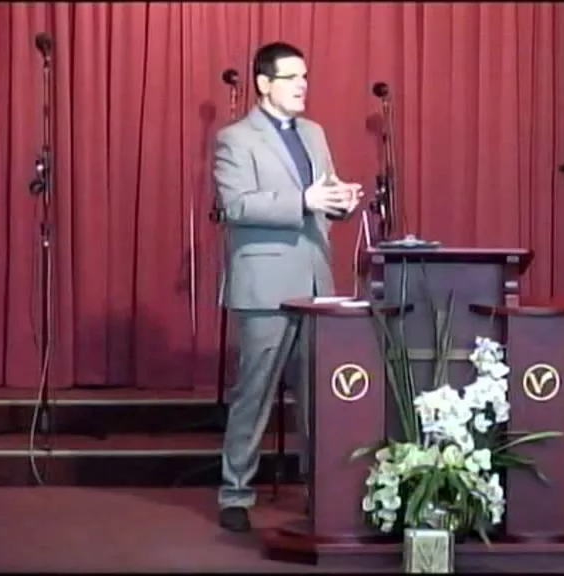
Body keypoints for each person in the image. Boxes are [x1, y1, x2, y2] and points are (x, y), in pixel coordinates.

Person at [212, 41, 363, 533]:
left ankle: (323, 492)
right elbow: (237, 206)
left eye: (305, 77)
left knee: (319, 395)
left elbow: (323, 196)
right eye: (291, 77)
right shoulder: (236, 139)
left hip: (316, 281)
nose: (302, 85)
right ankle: (236, 492)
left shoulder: (314, 133)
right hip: (265, 285)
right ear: (263, 83)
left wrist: (340, 200)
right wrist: (304, 199)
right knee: (254, 393)